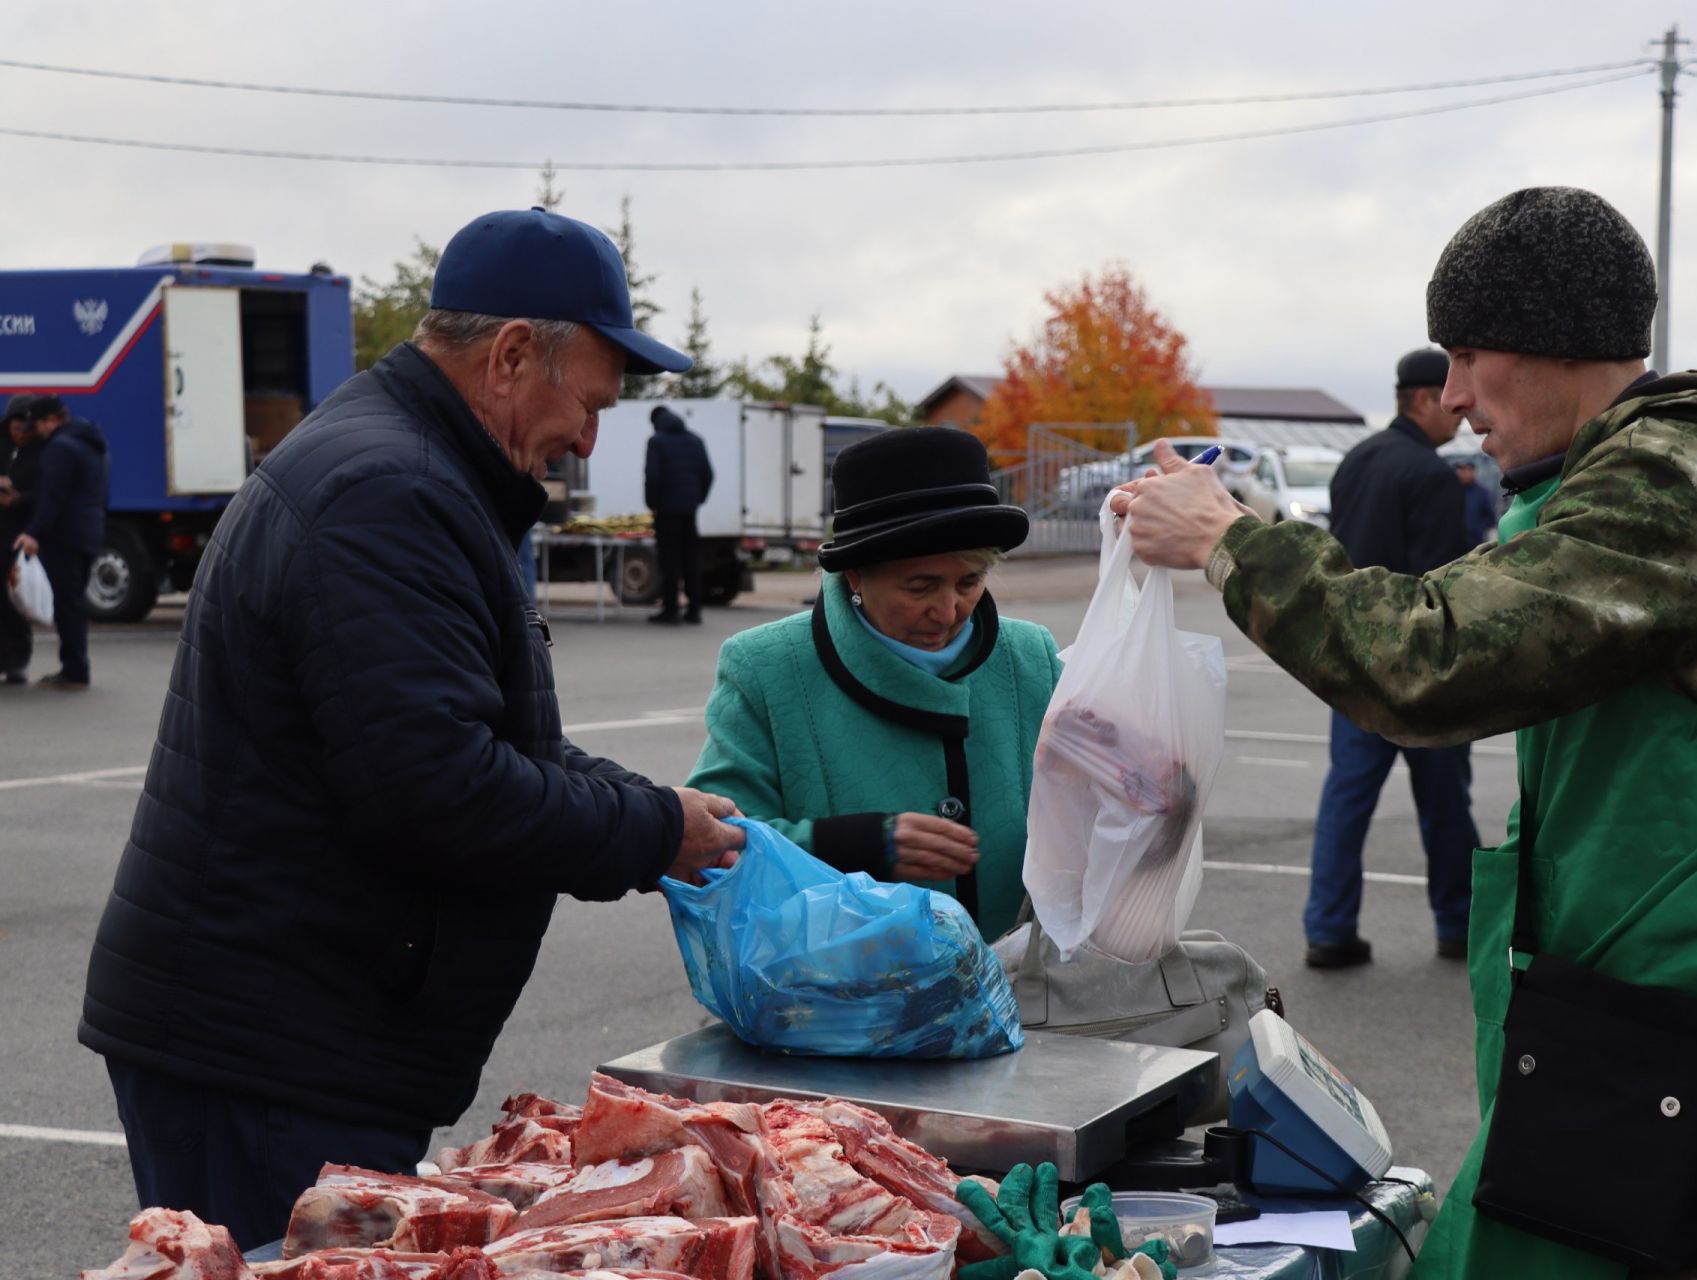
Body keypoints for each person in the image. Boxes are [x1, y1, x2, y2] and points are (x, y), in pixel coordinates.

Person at [1113, 187, 1697, 1276]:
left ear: (1559, 338)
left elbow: (1427, 659)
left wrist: (1231, 539)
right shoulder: (1609, 483)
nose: (1457, 393)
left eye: (1472, 352)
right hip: (1652, 1037)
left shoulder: (1666, 484)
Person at [77, 208, 748, 1251]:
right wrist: (650, 831)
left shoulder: (419, 476)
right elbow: (438, 784)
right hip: (269, 1048)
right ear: (514, 352)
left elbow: (488, 738)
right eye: (590, 401)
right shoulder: (387, 494)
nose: (589, 437)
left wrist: (661, 814)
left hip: (298, 1030)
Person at [683, 426, 1057, 941]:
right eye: (920, 586)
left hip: (1024, 999)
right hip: (841, 1002)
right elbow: (713, 844)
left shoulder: (1030, 657)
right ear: (856, 575)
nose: (948, 611)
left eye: (969, 581)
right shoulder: (766, 666)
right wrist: (854, 845)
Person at [1301, 348, 1479, 968]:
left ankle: (1328, 929)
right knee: (1445, 803)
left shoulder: (1356, 462)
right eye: (1450, 399)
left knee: (1345, 801)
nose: (1461, 413)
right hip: (1413, 670)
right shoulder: (1429, 475)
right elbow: (1442, 581)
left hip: (1351, 664)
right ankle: (1458, 924)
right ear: (1423, 400)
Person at [12, 394, 109, 689]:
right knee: (75, 602)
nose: (36, 431)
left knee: (67, 605)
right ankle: (75, 666)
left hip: (65, 535)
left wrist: (33, 532)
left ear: (52, 419)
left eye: (38, 424)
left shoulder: (59, 448)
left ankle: (75, 671)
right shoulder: (93, 445)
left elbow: (52, 497)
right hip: (90, 531)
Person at [645, 404, 714, 625]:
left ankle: (671, 610)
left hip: (666, 510)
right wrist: (698, 499)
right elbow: (708, 474)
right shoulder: (696, 440)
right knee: (691, 560)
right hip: (689, 510)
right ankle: (695, 611)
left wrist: (652, 503)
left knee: (669, 561)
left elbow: (652, 476)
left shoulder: (657, 441)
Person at [0, 394, 38, 683]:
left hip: (17, 538)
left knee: (15, 602)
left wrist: (19, 498)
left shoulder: (39, 453)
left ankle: (16, 660)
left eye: (26, 429)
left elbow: (47, 493)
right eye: (17, 427)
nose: (21, 433)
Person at [1454, 457, 1498, 542]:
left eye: (1465, 470)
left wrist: (1477, 528)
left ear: (1473, 471)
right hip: (1456, 541)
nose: (1461, 473)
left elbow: (1491, 516)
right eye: (1460, 470)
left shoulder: (1482, 492)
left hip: (1475, 541)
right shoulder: (1454, 491)